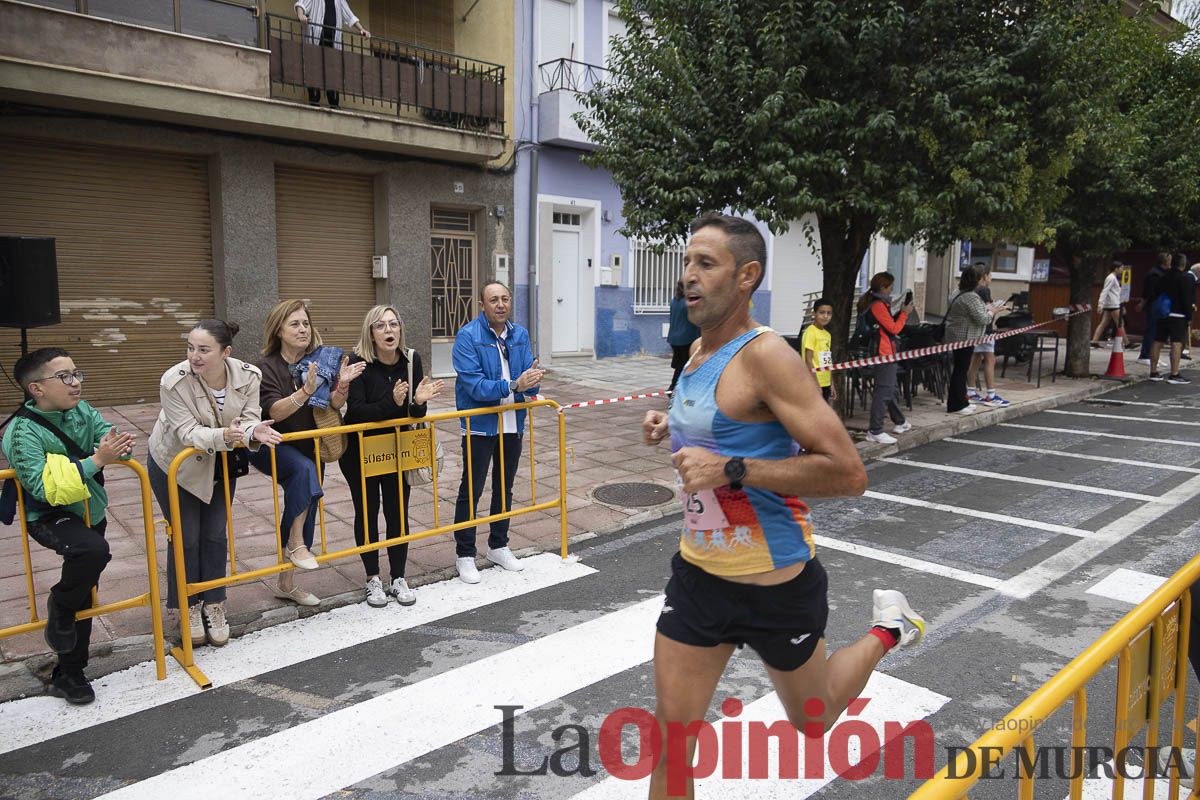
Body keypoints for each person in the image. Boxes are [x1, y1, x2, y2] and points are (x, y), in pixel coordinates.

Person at [641, 213, 924, 799]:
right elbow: (721, 429)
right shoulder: (697, 351)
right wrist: (670, 425)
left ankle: (888, 629)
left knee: (814, 721)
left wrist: (731, 470)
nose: (687, 277)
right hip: (699, 577)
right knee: (672, 746)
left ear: (747, 276)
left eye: (705, 264)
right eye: (686, 263)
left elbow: (849, 473)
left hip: (776, 582)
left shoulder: (770, 357)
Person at [2, 348, 135, 704]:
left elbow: (116, 443)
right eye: (64, 377)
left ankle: (70, 673)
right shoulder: (20, 432)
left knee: (86, 588)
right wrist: (96, 459)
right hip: (49, 515)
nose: (75, 383)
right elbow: (43, 487)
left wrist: (117, 449)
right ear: (36, 389)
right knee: (91, 553)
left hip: (92, 509)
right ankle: (59, 605)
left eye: (77, 373)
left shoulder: (82, 411)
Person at [147, 320, 282, 648]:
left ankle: (214, 604)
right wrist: (226, 435)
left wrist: (252, 432)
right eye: (190, 348)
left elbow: (250, 417)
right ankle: (188, 606)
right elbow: (187, 432)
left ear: (226, 352)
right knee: (186, 537)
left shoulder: (249, 375)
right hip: (175, 465)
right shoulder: (173, 382)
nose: (194, 356)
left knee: (214, 535)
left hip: (219, 462)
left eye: (204, 349)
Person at [251, 299, 365, 605]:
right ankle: (296, 544)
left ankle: (286, 582)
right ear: (278, 330)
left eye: (305, 323)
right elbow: (275, 409)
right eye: (294, 324)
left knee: (307, 501)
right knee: (303, 474)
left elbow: (334, 405)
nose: (303, 329)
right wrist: (304, 392)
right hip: (272, 442)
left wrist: (342, 386)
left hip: (309, 443)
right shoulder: (265, 368)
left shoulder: (321, 359)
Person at [341, 305, 445, 608]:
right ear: (370, 333)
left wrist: (418, 402)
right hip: (362, 452)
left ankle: (398, 577)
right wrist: (392, 400)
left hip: (398, 450)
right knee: (368, 511)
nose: (389, 330)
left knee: (398, 511)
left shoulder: (411, 360)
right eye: (380, 326)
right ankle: (372, 578)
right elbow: (357, 414)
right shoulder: (359, 363)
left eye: (393, 324)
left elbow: (412, 413)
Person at [451, 281, 545, 584]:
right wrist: (514, 386)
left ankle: (498, 544)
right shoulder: (468, 336)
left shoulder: (520, 335)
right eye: (494, 300)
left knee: (505, 487)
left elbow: (529, 379)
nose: (501, 304)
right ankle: (465, 554)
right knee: (472, 489)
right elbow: (474, 385)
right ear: (482, 305)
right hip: (480, 425)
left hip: (512, 422)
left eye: (505, 298)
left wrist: (533, 381)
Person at [855, 272, 912, 444]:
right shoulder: (878, 305)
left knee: (888, 388)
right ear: (883, 287)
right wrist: (904, 313)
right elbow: (893, 329)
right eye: (890, 287)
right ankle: (875, 430)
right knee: (884, 390)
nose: (892, 291)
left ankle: (900, 421)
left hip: (885, 351)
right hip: (883, 352)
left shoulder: (878, 304)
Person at [946, 265, 1007, 416]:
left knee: (960, 370)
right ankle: (956, 404)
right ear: (976, 280)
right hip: (965, 337)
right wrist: (993, 310)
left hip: (957, 335)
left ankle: (962, 401)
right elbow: (983, 319)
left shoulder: (956, 292)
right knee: (960, 371)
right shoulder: (970, 296)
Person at [293, 0, 370, 108]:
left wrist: (362, 29)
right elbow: (301, 4)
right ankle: (314, 100)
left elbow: (350, 16)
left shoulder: (340, 1)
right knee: (314, 68)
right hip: (316, 38)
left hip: (333, 41)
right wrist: (301, 16)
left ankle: (334, 103)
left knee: (333, 71)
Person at [966, 265, 1010, 408]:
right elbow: (988, 311)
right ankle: (991, 395)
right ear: (984, 276)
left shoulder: (972, 290)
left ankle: (970, 391)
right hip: (986, 330)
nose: (991, 278)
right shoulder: (984, 290)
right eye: (990, 275)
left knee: (976, 359)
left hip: (975, 330)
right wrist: (998, 308)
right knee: (990, 359)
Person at [1148, 254, 1193, 385]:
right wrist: (1189, 316)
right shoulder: (1184, 279)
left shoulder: (1163, 277)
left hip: (1163, 313)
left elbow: (1155, 294)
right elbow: (1186, 299)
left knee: (1157, 341)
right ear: (1183, 264)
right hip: (1178, 315)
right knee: (1176, 343)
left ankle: (1153, 371)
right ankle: (1174, 373)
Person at [1137, 253, 1171, 367]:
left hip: (1160, 305)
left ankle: (1153, 356)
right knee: (1152, 331)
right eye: (1169, 260)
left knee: (1158, 333)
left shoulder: (1163, 273)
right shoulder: (1154, 274)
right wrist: (1143, 303)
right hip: (1154, 305)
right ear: (1165, 261)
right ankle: (1145, 355)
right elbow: (1149, 292)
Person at [800, 297, 837, 405]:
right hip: (814, 381)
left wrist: (832, 384)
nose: (825, 316)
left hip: (826, 382)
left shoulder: (827, 335)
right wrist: (815, 383)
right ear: (814, 313)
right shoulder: (811, 332)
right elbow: (808, 359)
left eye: (829, 313)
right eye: (822, 312)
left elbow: (827, 361)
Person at [667, 280, 701, 393]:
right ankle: (674, 388)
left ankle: (676, 388)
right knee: (686, 366)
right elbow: (695, 320)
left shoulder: (674, 301)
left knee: (680, 365)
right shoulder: (688, 303)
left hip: (674, 338)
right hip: (687, 338)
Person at [1091, 261, 1129, 351]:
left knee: (1104, 323)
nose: (1122, 270)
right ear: (1116, 268)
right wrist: (1100, 304)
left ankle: (1094, 341)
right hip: (1113, 304)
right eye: (1121, 268)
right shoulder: (1111, 278)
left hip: (1111, 303)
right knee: (1120, 323)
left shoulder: (1113, 278)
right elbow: (1105, 291)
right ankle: (1127, 343)